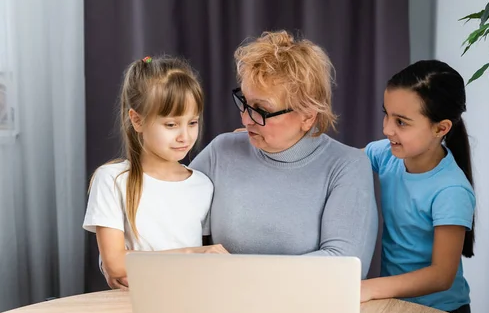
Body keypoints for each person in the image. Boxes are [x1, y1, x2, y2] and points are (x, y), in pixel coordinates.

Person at [190, 30, 378, 278]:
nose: (246, 119)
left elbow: (343, 266)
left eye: (261, 110)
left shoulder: (347, 167)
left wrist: (237, 270)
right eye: (244, 102)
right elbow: (168, 223)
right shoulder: (221, 151)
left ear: (308, 116)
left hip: (306, 311)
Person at [83, 56, 227, 290]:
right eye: (171, 125)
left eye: (192, 122)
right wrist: (194, 253)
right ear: (137, 120)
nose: (185, 136)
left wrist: (139, 261)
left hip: (191, 301)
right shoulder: (112, 180)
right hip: (130, 306)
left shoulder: (202, 184)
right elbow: (116, 264)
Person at [360, 60, 476, 313]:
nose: (386, 128)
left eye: (401, 122)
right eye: (387, 114)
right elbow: (340, 164)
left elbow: (441, 276)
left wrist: (368, 288)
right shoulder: (387, 155)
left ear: (441, 128)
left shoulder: (451, 190)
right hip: (395, 306)